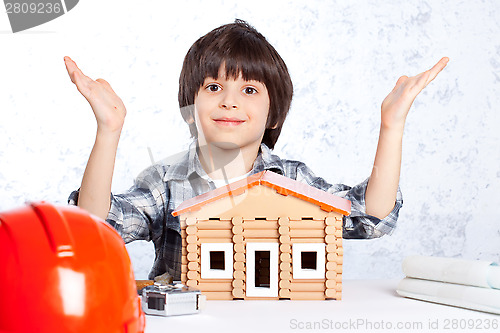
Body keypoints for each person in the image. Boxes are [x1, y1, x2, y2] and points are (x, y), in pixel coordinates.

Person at [66, 20, 448, 280]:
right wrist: (108, 130)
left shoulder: (291, 179)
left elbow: (370, 217)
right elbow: (94, 230)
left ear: (274, 114)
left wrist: (391, 126)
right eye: (214, 88)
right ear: (189, 107)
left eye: (249, 90)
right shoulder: (164, 182)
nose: (229, 102)